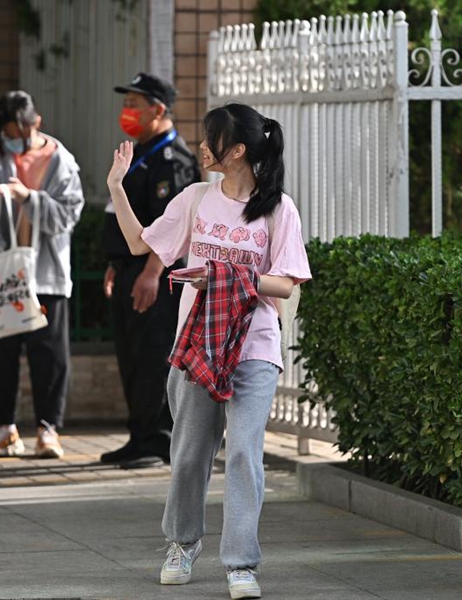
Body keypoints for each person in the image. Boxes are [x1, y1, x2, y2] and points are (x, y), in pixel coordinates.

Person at [105, 102, 311, 598]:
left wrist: (224, 274)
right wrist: (116, 185)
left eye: (211, 138)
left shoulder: (279, 208)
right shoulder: (195, 199)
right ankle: (182, 542)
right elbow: (140, 245)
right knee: (191, 453)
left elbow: (284, 284)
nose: (202, 145)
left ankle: (242, 563)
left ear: (237, 150)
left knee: (243, 453)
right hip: (198, 345)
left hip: (254, 346)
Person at [0, 90, 84, 459]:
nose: (12, 141)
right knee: (0, 351)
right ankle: (4, 428)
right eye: (6, 133)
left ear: (36, 123)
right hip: (0, 271)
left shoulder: (61, 159)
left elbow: (70, 214)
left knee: (49, 353)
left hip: (45, 273)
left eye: (18, 132)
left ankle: (47, 428)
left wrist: (28, 198)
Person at [101, 73, 200, 469]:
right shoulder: (139, 151)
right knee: (132, 355)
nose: (127, 113)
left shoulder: (172, 159)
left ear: (158, 110)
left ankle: (159, 441)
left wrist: (151, 272)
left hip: (155, 273)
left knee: (154, 354)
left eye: (134, 105)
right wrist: (115, 264)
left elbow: (171, 223)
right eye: (126, 104)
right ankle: (138, 435)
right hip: (130, 268)